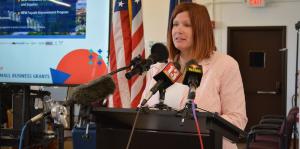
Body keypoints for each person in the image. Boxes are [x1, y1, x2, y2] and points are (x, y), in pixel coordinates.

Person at [141, 3, 247, 149]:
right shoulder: (159, 68)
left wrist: (194, 124)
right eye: (175, 24)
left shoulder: (225, 65)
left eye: (186, 25)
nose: (178, 30)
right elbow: (142, 112)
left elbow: (237, 119)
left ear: (201, 30)